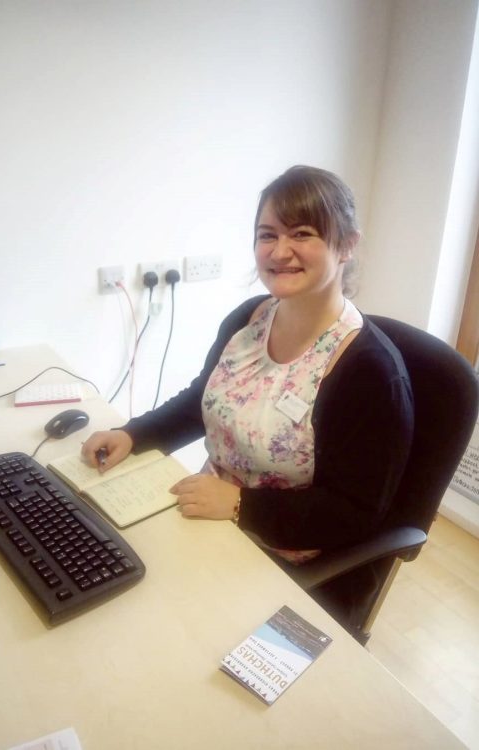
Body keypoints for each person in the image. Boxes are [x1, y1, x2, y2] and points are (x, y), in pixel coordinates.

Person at [83, 165, 414, 628]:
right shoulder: (249, 319)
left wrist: (240, 504)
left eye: (302, 233)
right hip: (207, 516)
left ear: (348, 245)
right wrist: (133, 434)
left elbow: (355, 514)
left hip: (292, 565)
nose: (280, 252)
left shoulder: (371, 373)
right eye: (267, 235)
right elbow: (205, 399)